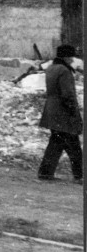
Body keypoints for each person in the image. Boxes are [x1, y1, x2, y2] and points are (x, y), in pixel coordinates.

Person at [38, 44, 83, 184]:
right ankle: (80, 175)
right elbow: (68, 94)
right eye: (71, 57)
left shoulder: (51, 68)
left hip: (52, 110)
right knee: (73, 144)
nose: (72, 60)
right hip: (63, 112)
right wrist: (74, 113)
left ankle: (45, 173)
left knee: (56, 142)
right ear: (66, 57)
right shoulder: (64, 71)